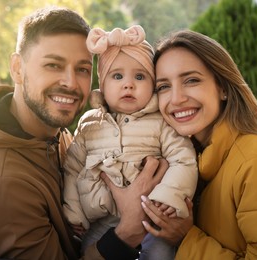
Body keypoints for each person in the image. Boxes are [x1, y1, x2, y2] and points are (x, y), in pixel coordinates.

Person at [0, 6, 168, 260]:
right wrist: (127, 232)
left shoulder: (52, 134)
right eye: (53, 65)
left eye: (81, 69)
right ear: (17, 68)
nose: (70, 82)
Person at [132, 30, 257, 259]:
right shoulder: (193, 163)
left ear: (222, 87)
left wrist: (186, 239)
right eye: (163, 86)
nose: (176, 98)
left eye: (191, 80)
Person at [63, 25, 197, 259]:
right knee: (89, 250)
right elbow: (73, 169)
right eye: (117, 76)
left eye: (139, 76)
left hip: (153, 219)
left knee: (160, 254)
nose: (128, 84)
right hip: (102, 220)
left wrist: (168, 197)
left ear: (153, 83)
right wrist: (74, 213)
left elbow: (183, 160)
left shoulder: (161, 122)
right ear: (102, 85)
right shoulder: (88, 124)